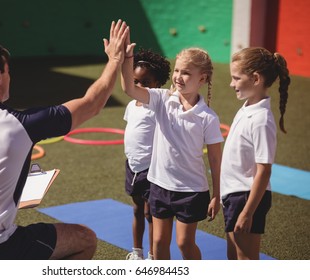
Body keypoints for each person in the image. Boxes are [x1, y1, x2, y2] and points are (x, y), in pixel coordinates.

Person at [0, 19, 129, 260]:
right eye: (8, 72)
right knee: (84, 239)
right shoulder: (22, 124)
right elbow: (92, 104)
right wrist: (115, 59)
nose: (9, 77)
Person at [121, 33, 223, 260]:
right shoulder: (160, 99)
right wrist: (126, 59)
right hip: (158, 186)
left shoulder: (208, 117)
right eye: (177, 70)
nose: (178, 76)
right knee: (158, 243)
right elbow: (129, 88)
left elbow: (216, 160)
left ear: (203, 79)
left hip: (191, 192)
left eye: (186, 72)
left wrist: (217, 194)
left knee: (185, 244)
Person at [220, 47, 290, 260]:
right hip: (234, 195)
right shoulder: (247, 107)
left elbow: (264, 170)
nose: (232, 84)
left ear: (256, 78)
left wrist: (247, 212)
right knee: (234, 257)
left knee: (246, 261)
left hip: (246, 197)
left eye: (236, 78)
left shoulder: (261, 120)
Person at [123, 48, 171, 260]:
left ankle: (153, 257)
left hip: (152, 169)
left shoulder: (159, 105)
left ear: (158, 83)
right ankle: (137, 253)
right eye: (136, 81)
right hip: (132, 166)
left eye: (146, 82)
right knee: (136, 209)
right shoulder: (132, 105)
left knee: (150, 214)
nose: (139, 86)